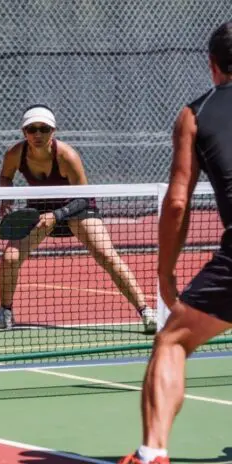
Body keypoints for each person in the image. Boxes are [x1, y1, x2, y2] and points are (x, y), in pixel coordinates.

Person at [119, 21, 232, 464]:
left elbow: (177, 203)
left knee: (172, 341)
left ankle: (153, 453)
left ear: (212, 66)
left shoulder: (194, 115)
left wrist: (166, 271)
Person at [0, 104, 157, 333]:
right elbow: (5, 176)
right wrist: (6, 198)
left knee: (107, 255)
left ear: (53, 131)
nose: (38, 134)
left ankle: (146, 311)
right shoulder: (15, 154)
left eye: (44, 129)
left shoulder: (67, 156)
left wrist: (57, 215)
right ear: (24, 132)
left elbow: (83, 197)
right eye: (32, 129)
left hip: (76, 207)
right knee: (10, 257)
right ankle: (5, 312)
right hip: (39, 208)